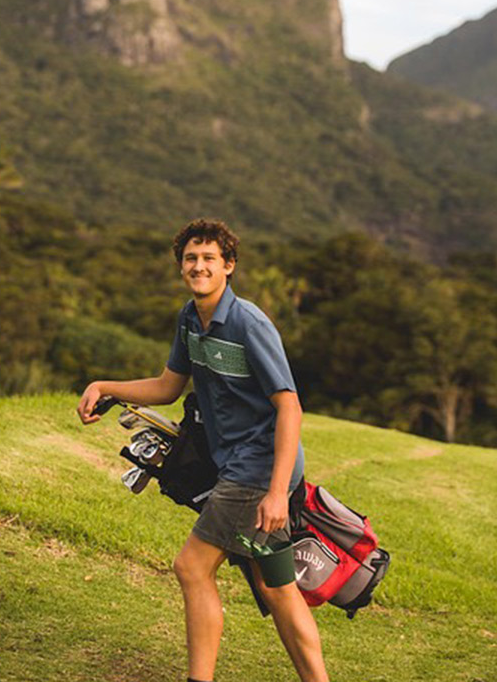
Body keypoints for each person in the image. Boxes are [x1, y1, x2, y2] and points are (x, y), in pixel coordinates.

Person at [77, 218, 329, 682]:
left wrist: (276, 493)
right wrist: (104, 385)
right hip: (237, 466)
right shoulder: (190, 320)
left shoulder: (248, 323)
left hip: (258, 470)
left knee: (191, 568)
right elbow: (168, 386)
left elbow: (289, 407)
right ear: (181, 266)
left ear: (228, 266)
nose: (199, 266)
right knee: (277, 588)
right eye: (191, 258)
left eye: (209, 258)